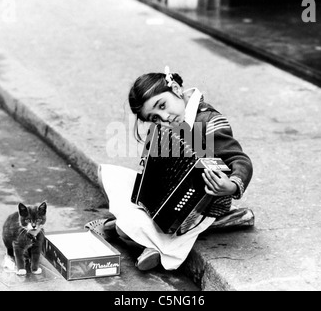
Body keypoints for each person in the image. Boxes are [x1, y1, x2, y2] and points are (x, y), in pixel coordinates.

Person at [85, 67, 254, 271]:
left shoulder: (208, 121)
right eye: (154, 117)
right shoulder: (168, 126)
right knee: (110, 175)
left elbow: (239, 159)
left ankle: (146, 243)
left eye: (162, 105)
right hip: (164, 201)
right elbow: (151, 165)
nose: (163, 118)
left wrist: (231, 186)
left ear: (175, 88)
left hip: (200, 206)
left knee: (127, 223)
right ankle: (141, 236)